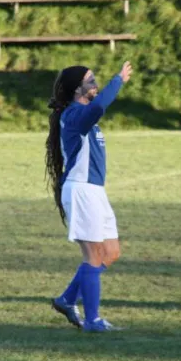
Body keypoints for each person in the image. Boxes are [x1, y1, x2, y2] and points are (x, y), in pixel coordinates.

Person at [45, 61, 133, 332]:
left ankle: (67, 300)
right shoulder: (74, 114)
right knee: (94, 255)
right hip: (82, 190)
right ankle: (93, 321)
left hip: (95, 191)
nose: (95, 84)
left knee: (111, 252)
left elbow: (95, 109)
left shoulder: (82, 114)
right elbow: (98, 107)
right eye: (91, 80)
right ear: (77, 89)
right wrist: (118, 81)